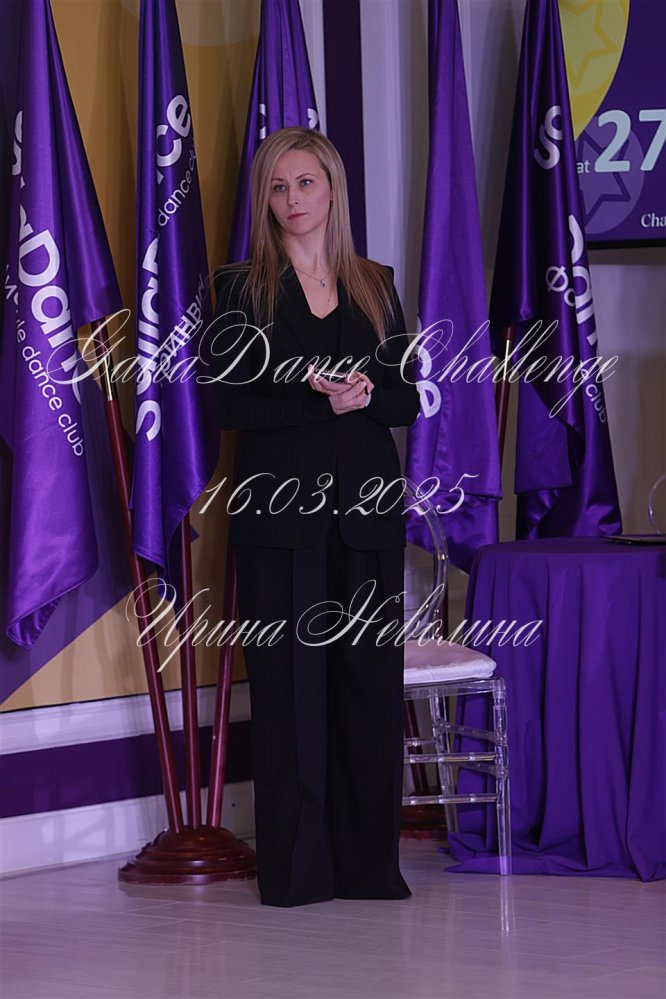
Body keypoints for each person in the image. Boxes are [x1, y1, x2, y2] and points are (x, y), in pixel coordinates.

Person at [209, 126, 420, 907]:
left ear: (332, 188)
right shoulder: (240, 290)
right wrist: (309, 390)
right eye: (278, 186)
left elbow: (406, 397)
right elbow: (228, 405)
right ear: (264, 199)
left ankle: (369, 868)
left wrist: (366, 395)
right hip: (280, 521)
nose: (293, 199)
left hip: (367, 514)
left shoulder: (376, 284)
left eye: (305, 183)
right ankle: (298, 874)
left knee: (368, 688)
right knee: (291, 694)